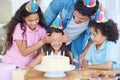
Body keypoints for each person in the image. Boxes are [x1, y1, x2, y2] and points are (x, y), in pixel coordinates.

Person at [43, 0, 100, 65]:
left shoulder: (97, 17)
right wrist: (54, 39)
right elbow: (42, 27)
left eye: (81, 19)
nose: (76, 19)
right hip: (51, 42)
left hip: (74, 45)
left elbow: (92, 39)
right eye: (74, 14)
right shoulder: (60, 3)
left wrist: (83, 54)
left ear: (92, 15)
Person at [2, 0, 49, 68]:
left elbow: (47, 40)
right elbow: (24, 52)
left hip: (26, 66)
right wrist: (42, 41)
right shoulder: (20, 28)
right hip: (11, 64)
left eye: (36, 19)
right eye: (30, 20)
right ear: (23, 18)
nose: (34, 23)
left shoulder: (40, 29)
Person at [81, 5, 119, 69]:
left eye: (94, 34)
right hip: (98, 75)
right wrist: (85, 65)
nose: (92, 37)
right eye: (91, 34)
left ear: (106, 35)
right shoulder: (93, 46)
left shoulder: (110, 45)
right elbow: (85, 61)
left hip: (112, 75)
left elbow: (107, 66)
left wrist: (90, 66)